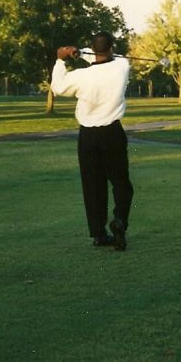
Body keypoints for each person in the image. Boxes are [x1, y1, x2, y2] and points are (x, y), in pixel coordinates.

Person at [50, 32, 134, 251]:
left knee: (93, 185)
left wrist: (61, 59)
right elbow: (105, 59)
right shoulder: (122, 66)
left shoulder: (81, 76)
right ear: (112, 47)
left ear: (92, 48)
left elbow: (57, 87)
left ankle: (98, 234)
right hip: (113, 133)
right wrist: (81, 54)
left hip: (88, 136)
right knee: (121, 183)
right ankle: (120, 221)